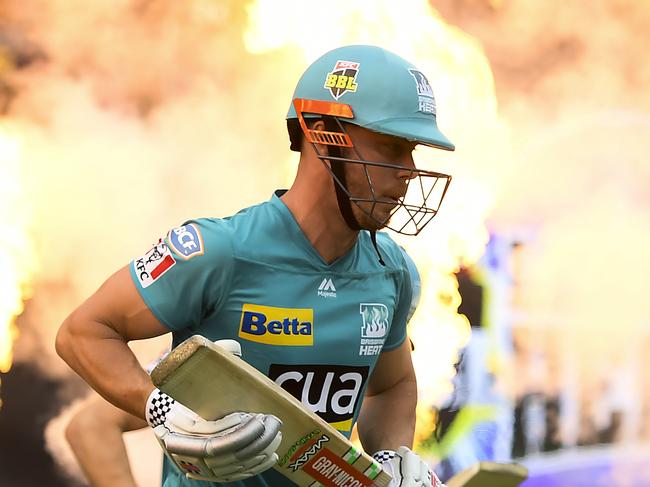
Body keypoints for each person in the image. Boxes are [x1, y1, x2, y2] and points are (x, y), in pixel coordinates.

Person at [56, 44, 454, 487]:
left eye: (412, 151)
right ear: (322, 133)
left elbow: (391, 385)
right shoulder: (217, 249)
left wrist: (389, 455)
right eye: (391, 147)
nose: (409, 171)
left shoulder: (392, 271)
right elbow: (83, 332)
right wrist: (161, 410)